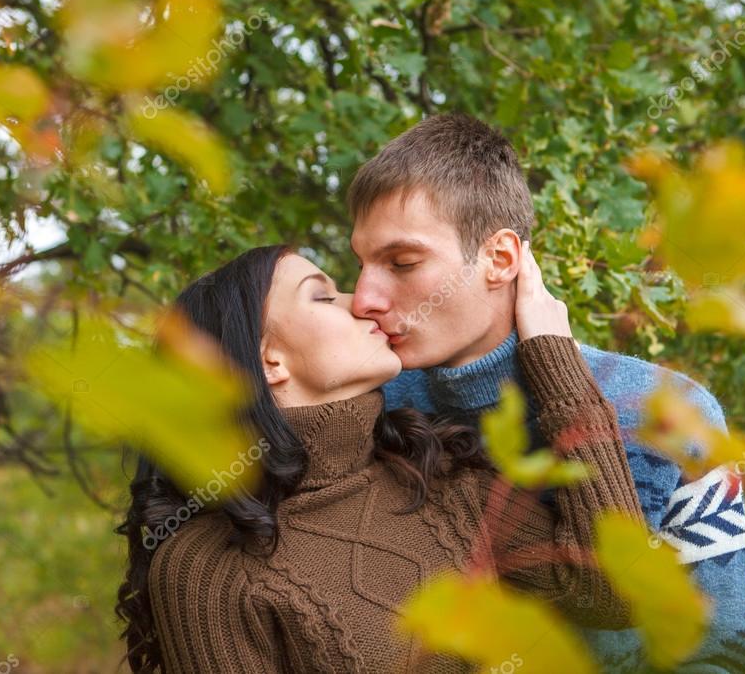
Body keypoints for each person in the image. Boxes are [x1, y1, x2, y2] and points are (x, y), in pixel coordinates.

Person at [348, 113, 745, 673]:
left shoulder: (673, 411)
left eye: (402, 262)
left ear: (500, 259)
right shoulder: (370, 407)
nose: (363, 298)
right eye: (362, 264)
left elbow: (722, 654)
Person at [116, 244, 646, 673]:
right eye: (322, 296)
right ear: (268, 360)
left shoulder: (434, 475)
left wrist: (553, 358)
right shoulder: (208, 568)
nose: (363, 301)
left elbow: (614, 594)